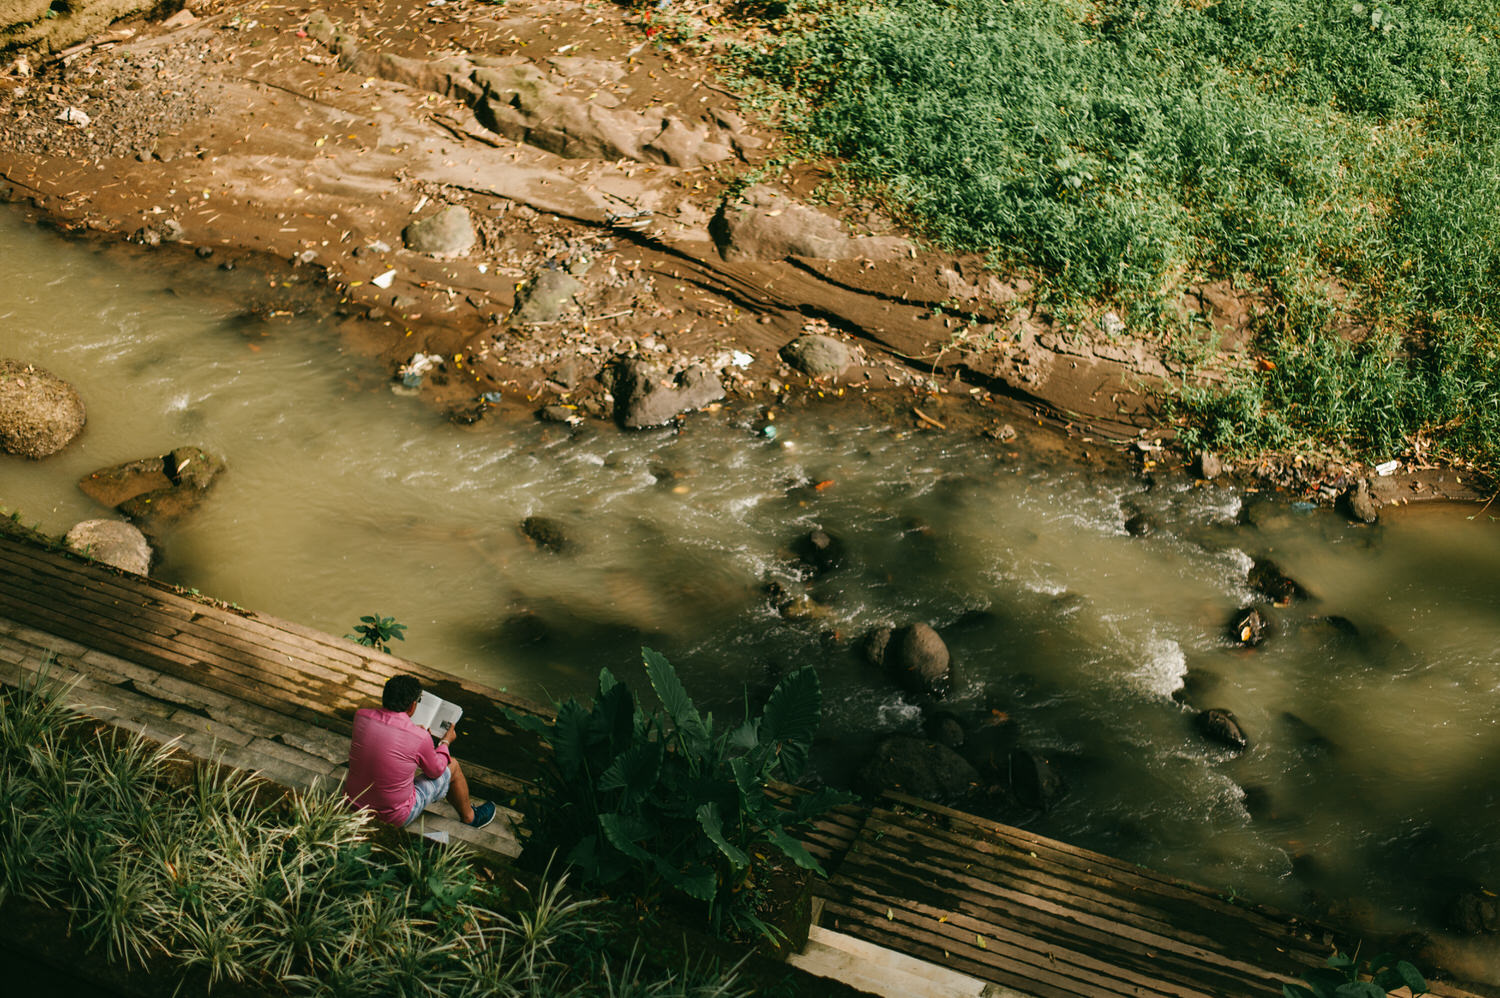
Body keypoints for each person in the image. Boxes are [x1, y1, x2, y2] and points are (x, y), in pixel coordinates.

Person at [346, 674, 495, 829]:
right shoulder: (420, 737)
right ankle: (471, 818)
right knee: (453, 766)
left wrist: (417, 736)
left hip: (352, 803)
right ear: (412, 706)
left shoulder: (361, 716)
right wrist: (445, 742)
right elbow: (436, 772)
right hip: (392, 817)